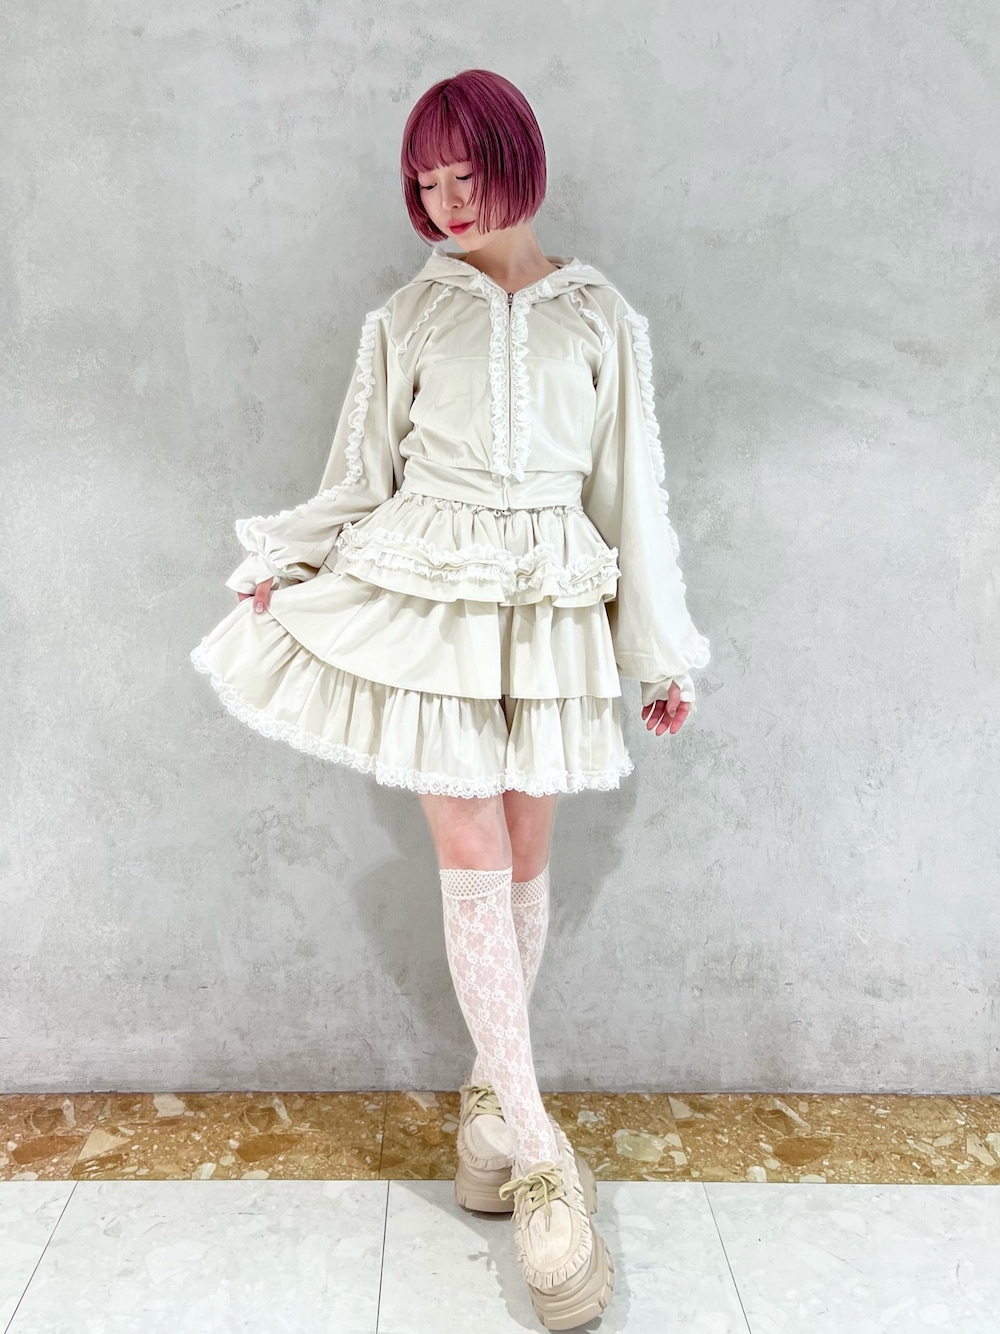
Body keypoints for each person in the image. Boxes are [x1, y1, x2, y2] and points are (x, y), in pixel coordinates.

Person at [190, 67, 710, 1332]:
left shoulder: (601, 318)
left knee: (524, 852)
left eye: (462, 173)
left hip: (550, 605)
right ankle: (542, 1161)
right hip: (426, 595)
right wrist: (289, 565)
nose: (444, 200)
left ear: (516, 159)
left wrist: (658, 654)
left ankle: (487, 1113)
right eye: (424, 182)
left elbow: (629, 496)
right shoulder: (407, 318)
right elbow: (357, 474)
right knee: (470, 843)